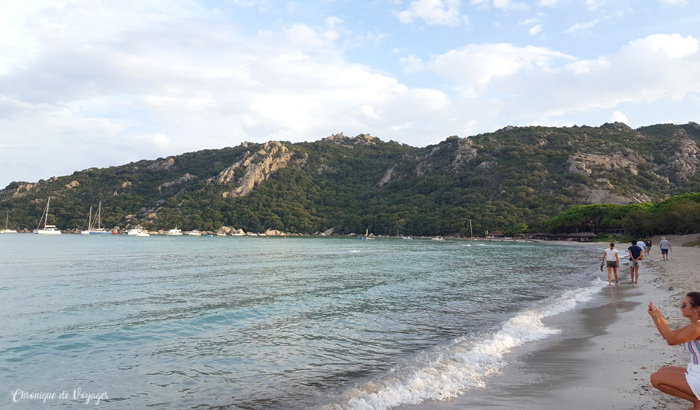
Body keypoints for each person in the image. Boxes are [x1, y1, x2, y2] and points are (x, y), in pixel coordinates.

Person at [648, 292, 700, 409]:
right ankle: (697, 401)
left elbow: (672, 340)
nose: (681, 307)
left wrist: (660, 316)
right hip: (695, 370)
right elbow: (669, 335)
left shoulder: (698, 327)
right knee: (662, 371)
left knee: (656, 378)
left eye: (684, 305)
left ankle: (698, 402)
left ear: (696, 308)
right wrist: (655, 317)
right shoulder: (695, 325)